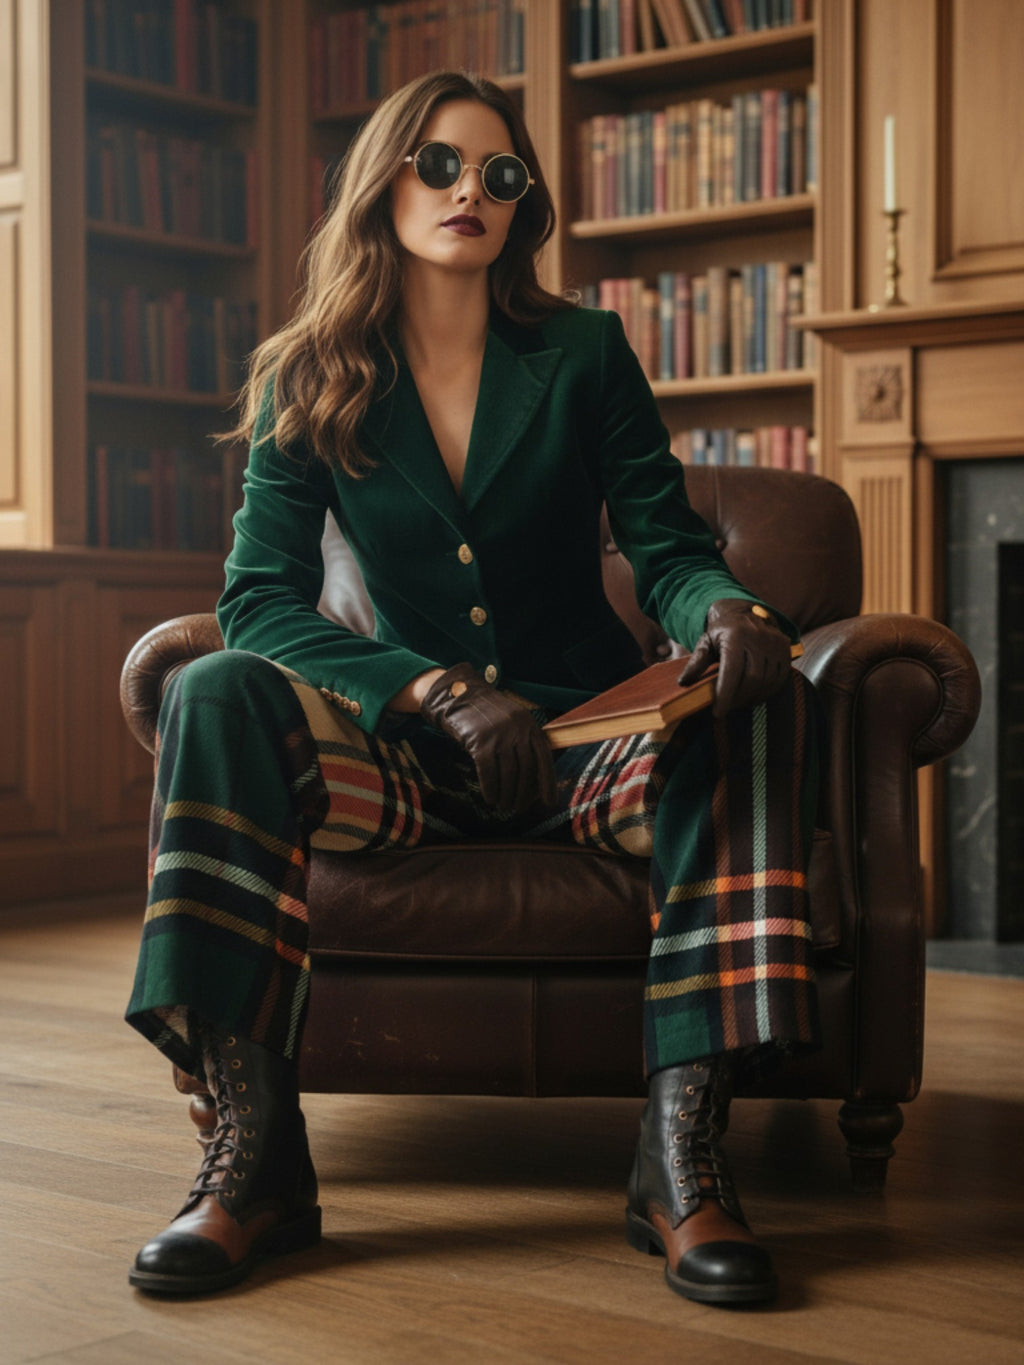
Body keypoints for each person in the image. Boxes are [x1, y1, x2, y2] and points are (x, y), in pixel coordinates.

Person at [126, 69, 822, 1306]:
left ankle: (681, 1160)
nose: (468, 192)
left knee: (740, 695)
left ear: (524, 206)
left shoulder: (583, 351)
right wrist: (436, 692)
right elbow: (262, 601)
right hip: (401, 762)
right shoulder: (308, 371)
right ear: (382, 183)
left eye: (499, 175)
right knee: (218, 685)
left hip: (579, 751)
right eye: (438, 165)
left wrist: (726, 612)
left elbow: (662, 542)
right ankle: (255, 1165)